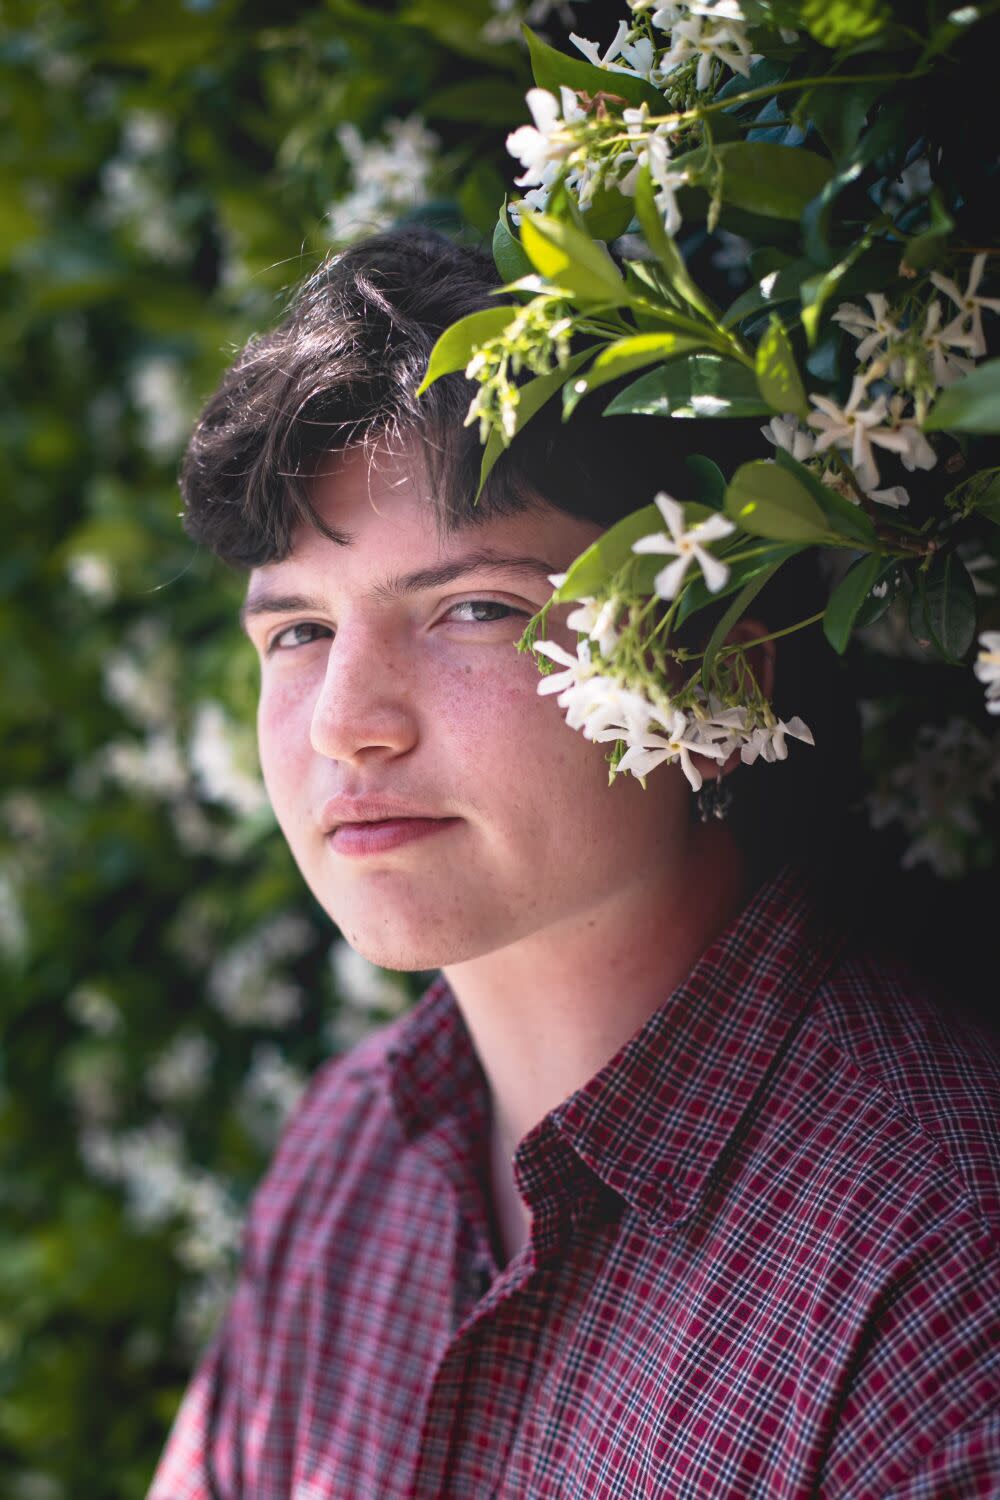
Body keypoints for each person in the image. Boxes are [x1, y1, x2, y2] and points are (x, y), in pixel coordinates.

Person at [148, 227, 1000, 1499]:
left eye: (475, 607)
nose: (344, 720)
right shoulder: (349, 1151)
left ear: (719, 670)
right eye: (300, 632)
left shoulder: (933, 1262)